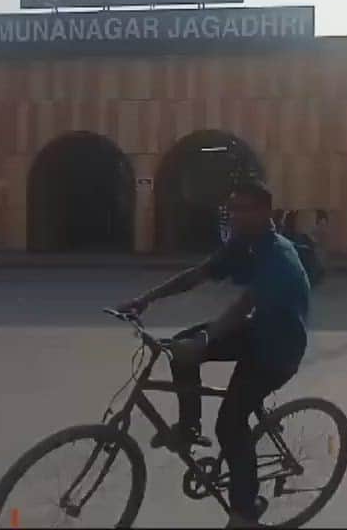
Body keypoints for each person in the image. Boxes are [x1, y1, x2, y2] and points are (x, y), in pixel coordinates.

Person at [116, 180, 309, 527]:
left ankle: (244, 514)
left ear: (264, 212)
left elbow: (243, 305)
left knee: (230, 424)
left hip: (278, 350)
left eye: (241, 208)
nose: (232, 215)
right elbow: (198, 275)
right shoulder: (242, 244)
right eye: (230, 208)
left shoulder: (278, 256)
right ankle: (189, 427)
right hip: (257, 330)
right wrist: (145, 299)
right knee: (179, 347)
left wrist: (206, 342)